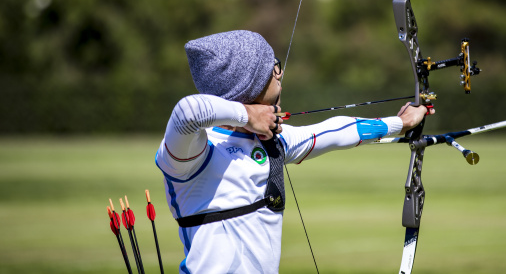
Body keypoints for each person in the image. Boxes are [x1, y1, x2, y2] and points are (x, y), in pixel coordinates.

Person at [155, 30, 433, 273]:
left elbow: (334, 132)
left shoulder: (271, 141)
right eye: (273, 67)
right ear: (248, 84)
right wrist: (249, 116)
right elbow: (188, 110)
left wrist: (401, 123)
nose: (281, 72)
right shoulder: (193, 154)